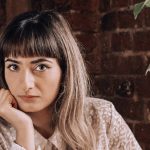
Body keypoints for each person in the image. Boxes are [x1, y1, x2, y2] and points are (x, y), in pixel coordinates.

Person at [0, 10, 141, 150]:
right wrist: (23, 129)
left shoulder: (101, 117)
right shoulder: (2, 133)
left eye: (41, 67)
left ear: (65, 69)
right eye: (13, 66)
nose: (26, 83)